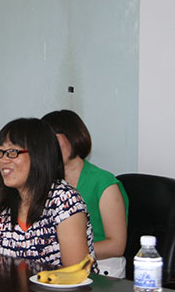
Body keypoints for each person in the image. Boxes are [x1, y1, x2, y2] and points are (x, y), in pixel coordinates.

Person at [0, 117, 97, 270]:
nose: (3, 160)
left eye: (12, 152)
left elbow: (76, 274)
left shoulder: (64, 200)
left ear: (38, 155)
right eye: (0, 152)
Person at [42, 109, 128, 277]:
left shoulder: (103, 183)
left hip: (101, 267)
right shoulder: (44, 181)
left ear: (73, 137)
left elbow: (116, 246)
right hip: (54, 265)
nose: (47, 148)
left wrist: (64, 250)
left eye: (53, 140)